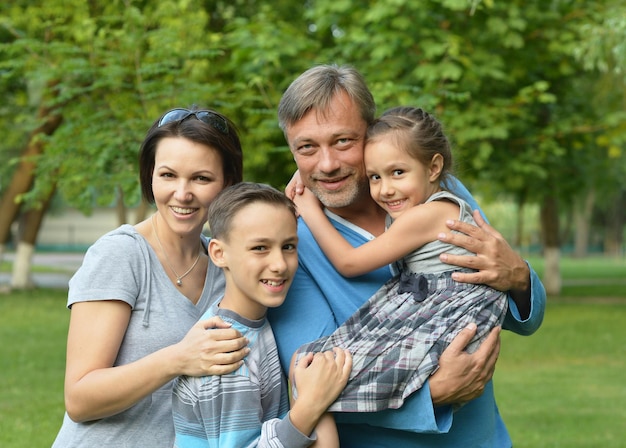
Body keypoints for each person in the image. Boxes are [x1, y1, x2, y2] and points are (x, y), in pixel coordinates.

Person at [267, 64, 546, 447]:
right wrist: (431, 395)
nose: (327, 164)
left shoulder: (438, 192)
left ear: (371, 133)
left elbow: (516, 317)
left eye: (343, 141)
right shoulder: (290, 245)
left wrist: (519, 277)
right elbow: (315, 383)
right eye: (307, 148)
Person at [52, 107, 250, 447]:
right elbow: (79, 399)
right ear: (150, 176)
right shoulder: (121, 255)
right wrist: (178, 359)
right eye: (168, 175)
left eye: (201, 178)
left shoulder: (226, 267)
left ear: (228, 183)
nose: (182, 193)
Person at [292, 106, 508, 413]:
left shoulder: (428, 214)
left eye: (398, 173)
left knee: (326, 382)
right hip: (437, 306)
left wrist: (309, 206)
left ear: (434, 168)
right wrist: (311, 172)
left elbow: (349, 263)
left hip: (447, 315)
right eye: (375, 177)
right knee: (320, 372)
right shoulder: (431, 203)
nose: (385, 189)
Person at [172, 182, 352, 448]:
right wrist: (311, 404)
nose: (279, 264)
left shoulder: (250, 324)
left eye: (288, 246)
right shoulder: (226, 356)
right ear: (219, 254)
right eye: (260, 248)